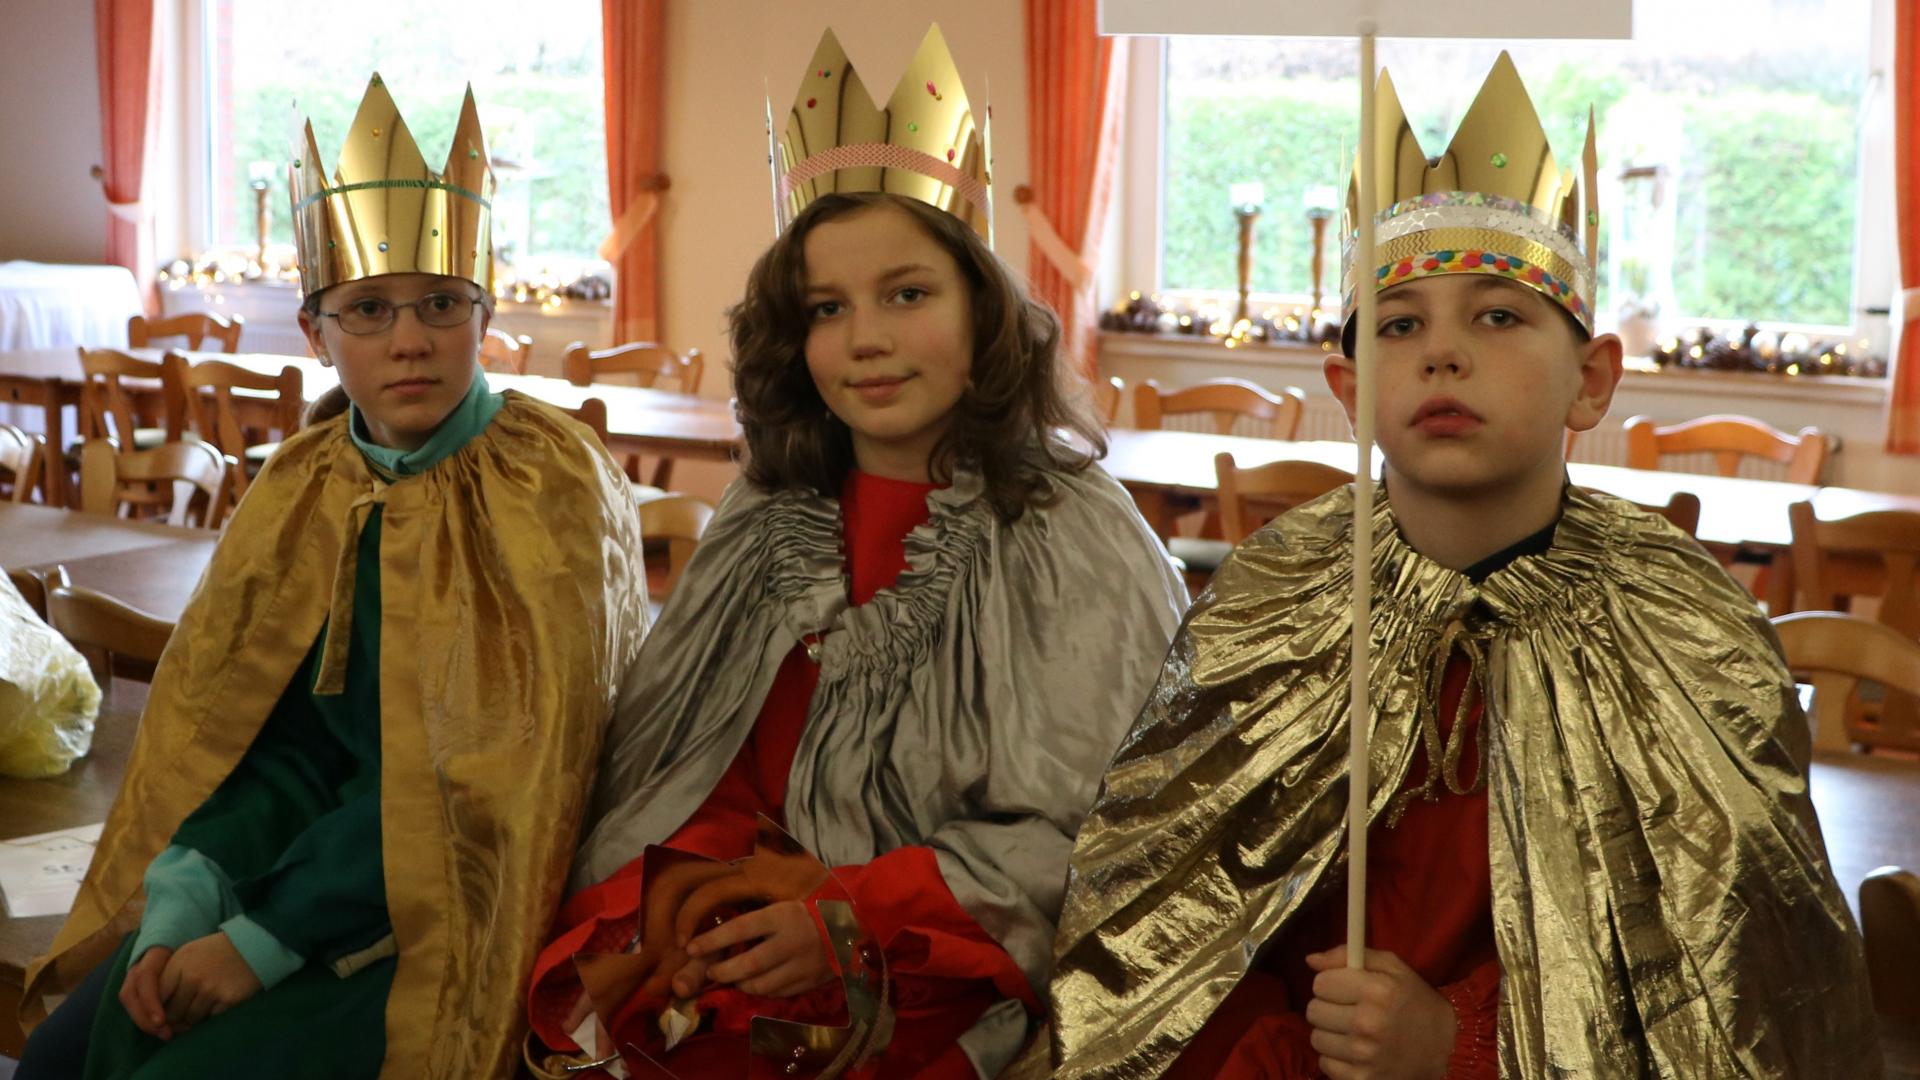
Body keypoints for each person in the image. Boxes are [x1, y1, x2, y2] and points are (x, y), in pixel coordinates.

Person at [1048, 53, 1880, 1079]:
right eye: (1401, 326)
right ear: (1350, 390)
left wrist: (1460, 1044)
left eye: (1498, 315)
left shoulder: (1689, 622)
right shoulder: (1274, 596)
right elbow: (1168, 934)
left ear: (1593, 378)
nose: (1443, 355)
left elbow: (1730, 992)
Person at [522, 26, 1187, 1080]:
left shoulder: (1074, 531)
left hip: (933, 953)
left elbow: (1094, 829)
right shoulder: (766, 509)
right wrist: (706, 898)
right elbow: (691, 756)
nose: (865, 337)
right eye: (828, 309)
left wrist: (841, 914)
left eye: (907, 294)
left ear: (983, 309)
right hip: (743, 920)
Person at [17, 74, 648, 1079]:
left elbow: (496, 783)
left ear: (483, 313)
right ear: (315, 333)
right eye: (369, 310)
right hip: (293, 868)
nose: (411, 339)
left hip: (457, 901)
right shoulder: (305, 485)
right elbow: (259, 736)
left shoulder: (550, 483)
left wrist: (265, 943)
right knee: (69, 1052)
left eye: (442, 304)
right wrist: (195, 894)